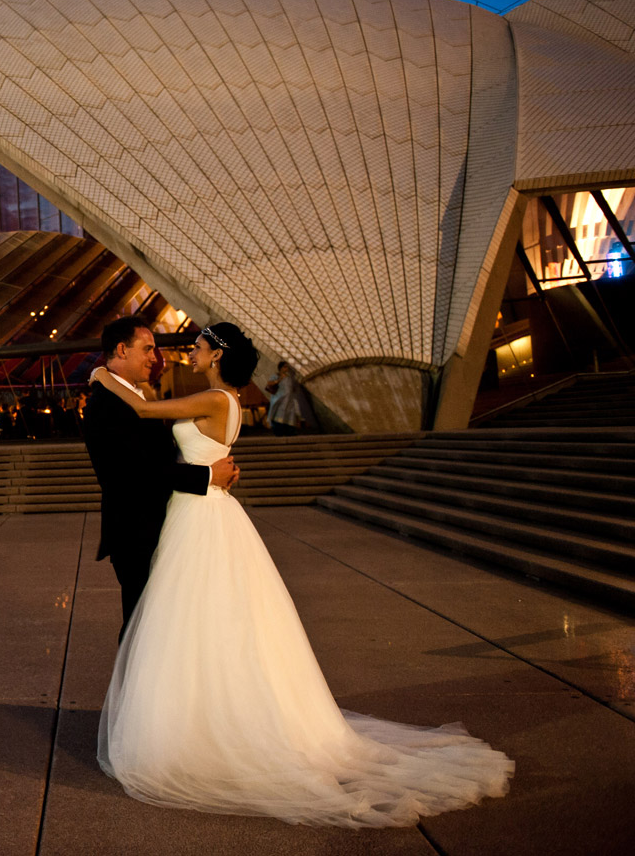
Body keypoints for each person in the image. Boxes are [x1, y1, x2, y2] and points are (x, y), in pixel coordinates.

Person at [91, 322, 513, 827]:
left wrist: (98, 374)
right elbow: (138, 459)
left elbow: (143, 415)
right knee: (189, 626)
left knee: (183, 624)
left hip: (197, 517)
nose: (178, 354)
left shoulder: (210, 398)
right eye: (149, 348)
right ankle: (181, 722)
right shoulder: (217, 399)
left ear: (218, 355)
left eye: (198, 346)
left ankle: (185, 729)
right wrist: (207, 472)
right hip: (190, 513)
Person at [83, 316, 238, 640]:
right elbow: (133, 472)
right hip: (136, 531)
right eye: (148, 349)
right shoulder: (105, 403)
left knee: (163, 624)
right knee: (144, 627)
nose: (155, 357)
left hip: (169, 524)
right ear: (122, 350)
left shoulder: (136, 395)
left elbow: (160, 453)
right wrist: (208, 473)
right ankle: (135, 689)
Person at [265, 360, 303, 436]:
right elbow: (269, 383)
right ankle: (279, 431)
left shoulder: (290, 377)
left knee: (290, 415)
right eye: (285, 367)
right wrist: (279, 379)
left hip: (289, 400)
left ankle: (290, 431)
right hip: (279, 400)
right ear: (281, 368)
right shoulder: (276, 376)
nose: (287, 369)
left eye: (287, 367)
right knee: (278, 416)